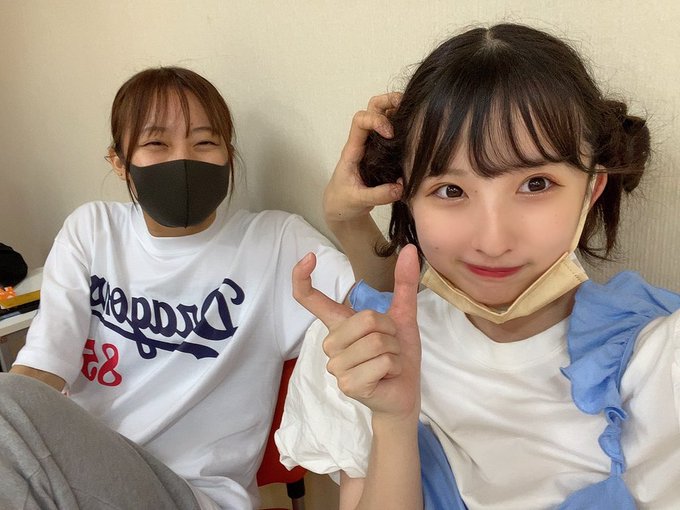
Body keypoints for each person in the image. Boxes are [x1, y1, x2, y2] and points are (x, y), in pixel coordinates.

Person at [275, 23, 680, 509]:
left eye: (535, 184)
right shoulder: (364, 350)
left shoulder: (659, 363)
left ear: (591, 190)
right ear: (407, 200)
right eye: (451, 190)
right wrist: (394, 421)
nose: (492, 241)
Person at [0, 66, 364, 510]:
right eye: (156, 144)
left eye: (205, 143)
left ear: (228, 155)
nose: (183, 160)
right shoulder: (92, 230)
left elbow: (379, 304)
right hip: (80, 475)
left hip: (193, 495)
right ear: (119, 161)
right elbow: (41, 370)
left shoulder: (275, 242)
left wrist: (351, 221)